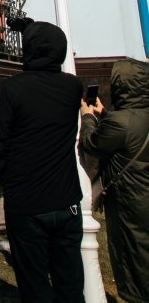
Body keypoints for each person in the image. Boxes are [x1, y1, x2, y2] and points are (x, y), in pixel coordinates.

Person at [0, 19, 84, 303]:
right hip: (66, 200)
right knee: (70, 282)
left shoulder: (13, 90)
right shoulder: (73, 88)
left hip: (27, 203)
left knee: (34, 282)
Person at [80, 57, 149, 303]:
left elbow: (91, 144)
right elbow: (128, 136)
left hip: (130, 203)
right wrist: (105, 113)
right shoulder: (132, 118)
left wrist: (87, 117)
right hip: (142, 196)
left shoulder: (121, 122)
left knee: (133, 256)